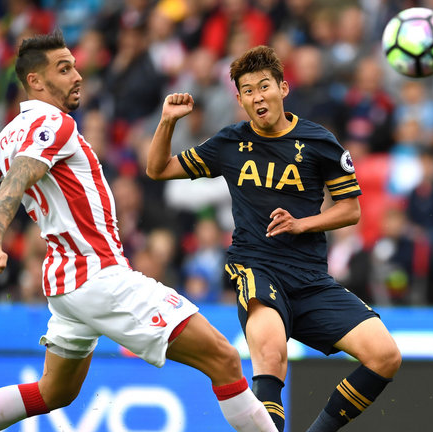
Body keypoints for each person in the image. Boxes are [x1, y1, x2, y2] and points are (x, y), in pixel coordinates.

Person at [0, 31, 275, 432]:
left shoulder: (10, 133)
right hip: (97, 274)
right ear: (36, 82)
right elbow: (17, 179)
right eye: (64, 69)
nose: (77, 75)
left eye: (75, 65)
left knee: (52, 393)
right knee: (224, 358)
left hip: (64, 283)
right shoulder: (53, 122)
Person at [147, 45, 402, 432]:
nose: (257, 96)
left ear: (283, 88)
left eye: (264, 86)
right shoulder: (229, 143)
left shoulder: (319, 142)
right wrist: (168, 122)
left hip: (312, 279)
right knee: (270, 355)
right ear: (239, 99)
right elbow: (158, 168)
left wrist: (302, 223)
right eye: (247, 90)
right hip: (257, 268)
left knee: (385, 356)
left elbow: (350, 210)